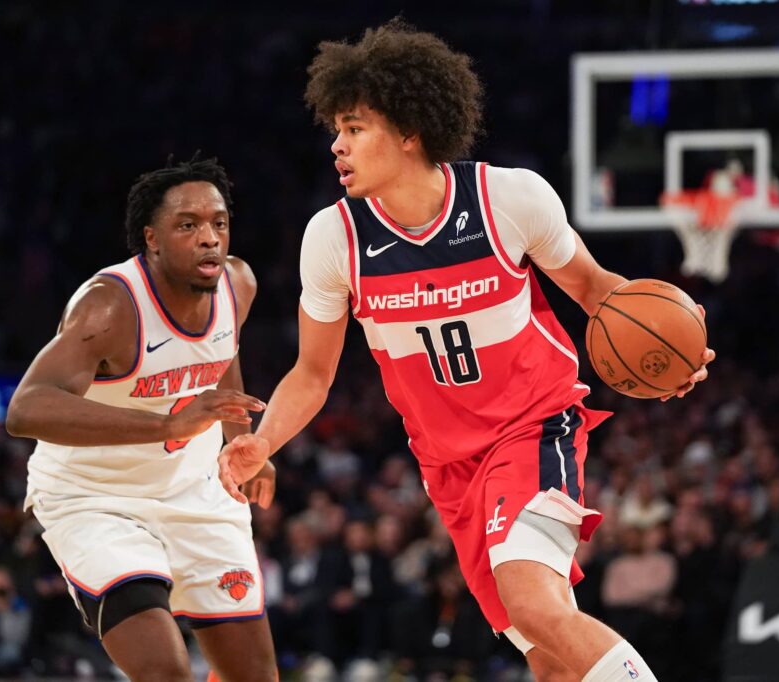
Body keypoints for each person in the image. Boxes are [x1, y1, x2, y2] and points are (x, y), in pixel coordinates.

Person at [219, 21, 713, 682]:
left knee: (534, 608)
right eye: (336, 129)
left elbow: (598, 290)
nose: (336, 145)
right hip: (446, 465)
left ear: (410, 130)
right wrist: (261, 442)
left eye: (355, 127)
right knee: (547, 657)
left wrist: (670, 350)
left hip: (533, 428)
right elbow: (313, 374)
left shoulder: (507, 200)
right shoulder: (335, 238)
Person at [6, 156, 277, 682]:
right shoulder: (111, 307)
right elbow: (26, 407)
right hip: (96, 500)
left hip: (196, 492)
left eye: (218, 223)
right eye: (188, 225)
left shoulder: (237, 284)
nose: (209, 238)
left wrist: (241, 446)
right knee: (163, 671)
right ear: (152, 239)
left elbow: (222, 358)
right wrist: (167, 427)